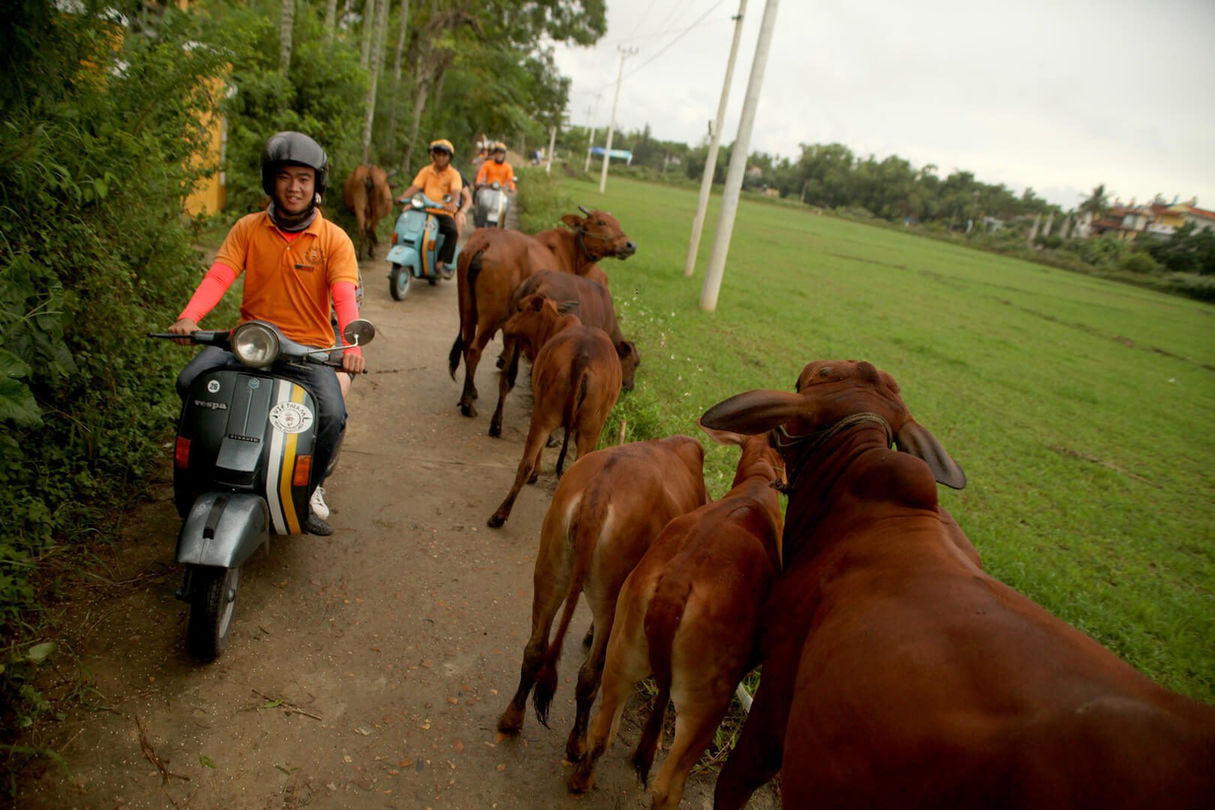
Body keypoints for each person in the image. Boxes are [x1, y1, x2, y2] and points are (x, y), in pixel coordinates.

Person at [167, 131, 364, 536]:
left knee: (331, 416)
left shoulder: (334, 239)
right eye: (285, 177)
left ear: (317, 184)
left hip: (308, 350)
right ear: (270, 180)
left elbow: (345, 296)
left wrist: (350, 344)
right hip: (249, 341)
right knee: (190, 382)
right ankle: (193, 479)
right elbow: (219, 275)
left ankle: (306, 494)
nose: (294, 187)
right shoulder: (247, 228)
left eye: (304, 179)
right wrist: (189, 317)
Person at [398, 138, 463, 279]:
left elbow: (456, 192)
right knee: (404, 219)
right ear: (433, 155)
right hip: (424, 210)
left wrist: (454, 203)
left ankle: (441, 262)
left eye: (444, 154)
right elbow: (415, 187)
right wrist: (402, 197)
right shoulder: (426, 171)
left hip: (443, 212)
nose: (440, 157)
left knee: (452, 232)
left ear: (449, 157)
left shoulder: (454, 174)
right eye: (438, 154)